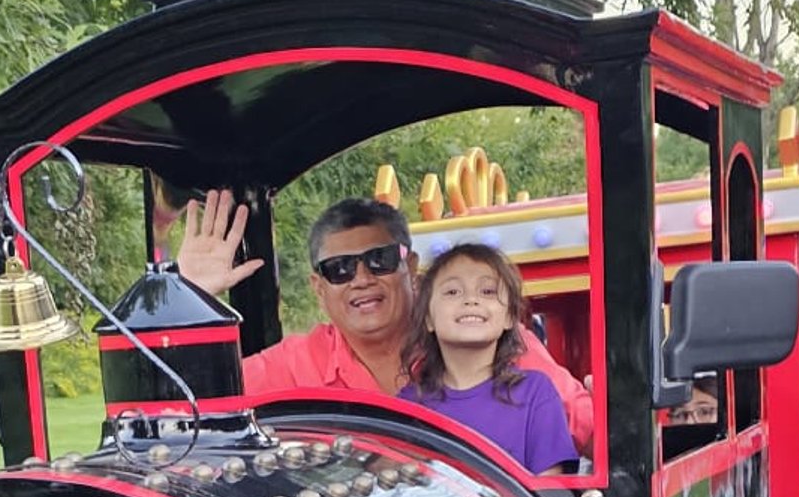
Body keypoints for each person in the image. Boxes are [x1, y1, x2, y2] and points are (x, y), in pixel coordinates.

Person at [174, 187, 594, 448]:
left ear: (410, 269)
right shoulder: (294, 364)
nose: (360, 279)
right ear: (320, 289)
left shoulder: (486, 342)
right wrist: (187, 298)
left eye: (378, 261)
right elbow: (182, 409)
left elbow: (586, 427)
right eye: (339, 268)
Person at [403, 240, 579, 475]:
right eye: (453, 292)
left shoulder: (535, 392)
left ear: (509, 318)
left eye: (487, 291)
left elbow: (551, 491)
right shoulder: (408, 405)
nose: (471, 300)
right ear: (428, 319)